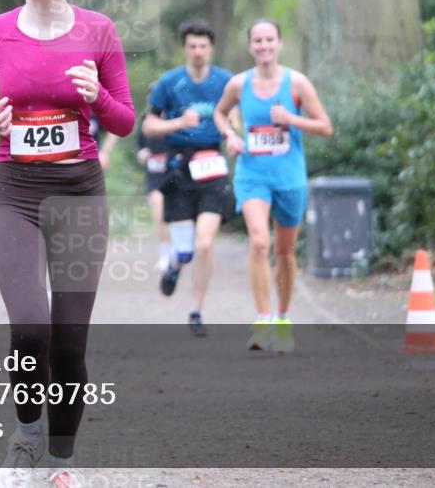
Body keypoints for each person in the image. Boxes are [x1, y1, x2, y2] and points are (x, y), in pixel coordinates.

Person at [0, 0, 134, 488]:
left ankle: (61, 464)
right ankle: (27, 436)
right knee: (30, 325)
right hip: (15, 193)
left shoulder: (99, 31)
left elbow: (125, 121)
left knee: (69, 343)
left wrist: (98, 96)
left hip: (81, 192)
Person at [213, 19, 332, 353]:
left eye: (269, 40)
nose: (264, 46)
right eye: (258, 41)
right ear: (250, 46)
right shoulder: (239, 85)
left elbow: (325, 126)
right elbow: (220, 114)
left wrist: (291, 119)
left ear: (279, 43)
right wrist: (230, 136)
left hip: (289, 177)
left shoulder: (298, 83)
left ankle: (282, 318)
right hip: (252, 174)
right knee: (259, 242)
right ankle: (262, 320)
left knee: (285, 252)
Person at [142, 20, 235, 337]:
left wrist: (232, 134)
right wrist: (178, 122)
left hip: (212, 165)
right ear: (185, 48)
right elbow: (148, 127)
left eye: (203, 46)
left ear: (211, 49)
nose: (198, 52)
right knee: (185, 251)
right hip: (178, 168)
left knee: (205, 244)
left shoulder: (226, 81)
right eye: (192, 46)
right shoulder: (170, 83)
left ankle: (196, 310)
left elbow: (235, 116)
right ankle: (175, 266)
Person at [134, 86, 171, 273]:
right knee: (159, 214)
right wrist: (141, 153)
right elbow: (139, 146)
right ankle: (165, 255)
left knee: (179, 217)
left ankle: (180, 250)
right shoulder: (145, 120)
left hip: (175, 176)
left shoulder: (176, 117)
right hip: (155, 176)